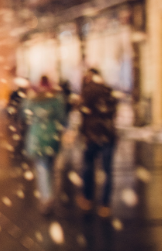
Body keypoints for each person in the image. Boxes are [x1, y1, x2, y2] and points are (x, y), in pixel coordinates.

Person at [21, 75, 66, 214]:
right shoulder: (56, 98)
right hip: (52, 135)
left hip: (37, 136)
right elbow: (62, 117)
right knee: (50, 165)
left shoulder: (32, 99)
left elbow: (24, 115)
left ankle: (47, 197)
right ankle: (50, 193)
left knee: (42, 167)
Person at [76, 68, 118, 217]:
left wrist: (81, 132)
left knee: (88, 167)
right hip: (108, 135)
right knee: (107, 170)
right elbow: (112, 112)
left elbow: (83, 113)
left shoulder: (87, 92)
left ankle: (87, 198)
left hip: (91, 136)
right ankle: (105, 204)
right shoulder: (108, 91)